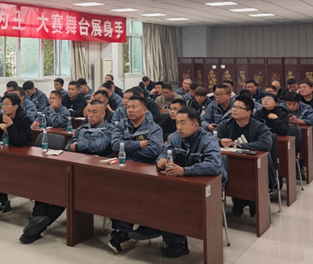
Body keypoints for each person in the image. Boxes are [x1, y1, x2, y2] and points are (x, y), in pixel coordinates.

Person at [20, 100, 111, 244]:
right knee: (47, 183)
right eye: (89, 112)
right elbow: (69, 146)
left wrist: (79, 145)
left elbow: (100, 146)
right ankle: (37, 219)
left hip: (93, 172)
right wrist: (79, 147)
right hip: (73, 166)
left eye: (95, 112)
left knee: (66, 192)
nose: (90, 115)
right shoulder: (82, 128)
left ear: (103, 113)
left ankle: (37, 225)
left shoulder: (109, 129)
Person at [149, 107, 228, 258]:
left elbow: (215, 165)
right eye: (177, 122)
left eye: (183, 123)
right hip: (184, 182)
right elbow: (164, 153)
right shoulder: (175, 137)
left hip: (211, 186)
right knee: (159, 194)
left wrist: (186, 171)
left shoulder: (208, 140)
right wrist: (161, 161)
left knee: (173, 201)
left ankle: (177, 242)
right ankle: (159, 229)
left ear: (196, 125)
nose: (179, 127)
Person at [107, 96, 163, 254]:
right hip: (123, 167)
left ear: (144, 110)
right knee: (113, 189)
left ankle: (124, 230)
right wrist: (140, 144)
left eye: (134, 107)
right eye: (128, 107)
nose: (130, 110)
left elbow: (154, 150)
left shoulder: (154, 128)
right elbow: (116, 145)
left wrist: (129, 149)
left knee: (131, 192)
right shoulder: (120, 125)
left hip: (145, 169)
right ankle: (122, 230)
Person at [216, 96, 273, 217]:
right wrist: (220, 142)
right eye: (234, 107)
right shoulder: (225, 124)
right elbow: (212, 140)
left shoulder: (259, 126)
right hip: (231, 166)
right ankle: (240, 200)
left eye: (238, 107)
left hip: (255, 168)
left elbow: (266, 143)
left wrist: (239, 145)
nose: (234, 110)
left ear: (248, 112)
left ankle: (249, 202)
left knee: (247, 179)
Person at [0, 93, 32, 221]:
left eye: (7, 104)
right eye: (2, 105)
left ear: (15, 106)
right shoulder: (2, 116)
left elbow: (19, 142)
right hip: (7, 153)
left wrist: (10, 124)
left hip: (24, 156)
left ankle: (1, 204)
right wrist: (0, 127)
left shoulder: (24, 119)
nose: (3, 107)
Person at [255, 94, 303, 161]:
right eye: (264, 99)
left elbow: (283, 131)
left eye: (269, 99)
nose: (265, 101)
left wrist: (275, 119)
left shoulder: (282, 113)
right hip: (263, 140)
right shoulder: (258, 113)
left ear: (276, 103)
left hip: (277, 141)